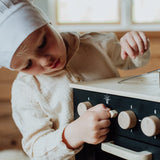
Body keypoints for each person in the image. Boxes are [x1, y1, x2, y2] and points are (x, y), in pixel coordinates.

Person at [0, 0, 150, 160]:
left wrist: (134, 45)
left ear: (47, 22)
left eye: (42, 43)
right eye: (27, 64)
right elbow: (37, 148)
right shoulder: (25, 90)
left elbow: (130, 59)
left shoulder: (95, 43)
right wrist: (73, 134)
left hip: (122, 147)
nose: (45, 61)